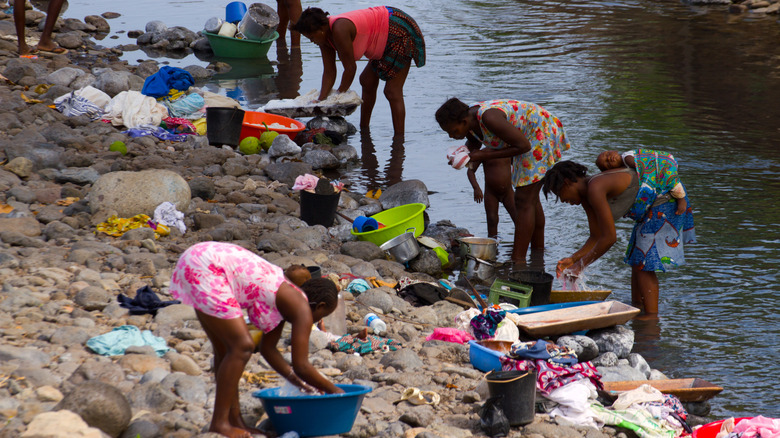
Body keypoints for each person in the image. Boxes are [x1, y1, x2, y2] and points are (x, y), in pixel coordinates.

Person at [169, 242, 343, 438]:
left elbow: (268, 349)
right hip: (207, 266)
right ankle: (219, 423)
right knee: (242, 346)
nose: (317, 322)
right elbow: (301, 364)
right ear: (319, 306)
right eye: (321, 316)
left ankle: (235, 421)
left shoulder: (284, 297)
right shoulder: (300, 307)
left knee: (226, 351)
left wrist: (295, 381)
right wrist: (335, 391)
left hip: (198, 258)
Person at [541, 160, 695, 314]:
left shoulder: (595, 188)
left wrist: (581, 266)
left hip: (665, 202)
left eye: (559, 194)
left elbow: (609, 238)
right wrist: (574, 259)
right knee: (637, 259)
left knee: (643, 263)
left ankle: (651, 319)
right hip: (648, 212)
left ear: (567, 183)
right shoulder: (587, 198)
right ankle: (638, 309)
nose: (562, 200)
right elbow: (596, 236)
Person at [436, 98, 571, 262]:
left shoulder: (489, 118)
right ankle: (538, 254)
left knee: (524, 200)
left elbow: (523, 146)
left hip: (538, 132)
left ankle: (518, 260)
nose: (451, 136)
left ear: (463, 121)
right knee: (531, 199)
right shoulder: (470, 123)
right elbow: (474, 144)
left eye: (453, 131)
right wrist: (461, 156)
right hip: (525, 138)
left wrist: (485, 155)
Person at [291, 6, 425, 139]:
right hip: (383, 35)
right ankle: (364, 131)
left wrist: (337, 98)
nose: (311, 41)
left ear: (320, 30)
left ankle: (399, 140)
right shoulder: (324, 39)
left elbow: (350, 69)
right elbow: (329, 72)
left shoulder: (339, 29)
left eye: (311, 37)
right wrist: (320, 99)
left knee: (392, 91)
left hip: (398, 29)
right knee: (367, 80)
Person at [596, 149, 688, 216]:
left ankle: (681, 199)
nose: (609, 158)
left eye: (608, 154)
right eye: (607, 163)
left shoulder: (627, 158)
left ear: (614, 150)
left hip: (664, 162)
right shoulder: (625, 166)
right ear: (611, 170)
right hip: (666, 159)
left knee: (668, 179)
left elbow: (644, 169)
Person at [454, 143, 518, 238]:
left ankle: (521, 242)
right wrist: (476, 188)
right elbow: (470, 171)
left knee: (518, 217)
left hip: (508, 192)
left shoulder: (507, 151)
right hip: (491, 193)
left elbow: (518, 165)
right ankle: (492, 243)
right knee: (492, 219)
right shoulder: (483, 153)